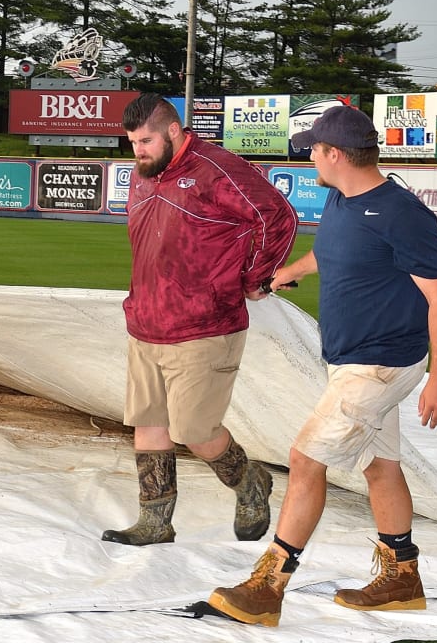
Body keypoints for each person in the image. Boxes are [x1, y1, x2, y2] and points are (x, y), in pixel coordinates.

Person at [206, 105, 437, 627]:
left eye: (315, 150)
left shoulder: (402, 213)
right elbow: (328, 253)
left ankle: (267, 588)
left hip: (381, 365)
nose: (311, 158)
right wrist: (284, 274)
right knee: (379, 464)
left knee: (305, 460)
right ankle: (401, 579)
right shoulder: (341, 199)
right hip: (351, 360)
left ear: (336, 154)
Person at [101, 93, 298, 547]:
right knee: (148, 421)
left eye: (146, 140)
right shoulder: (143, 174)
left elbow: (277, 216)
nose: (138, 151)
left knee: (192, 430)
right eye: (132, 142)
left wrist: (255, 277)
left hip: (205, 323)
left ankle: (250, 480)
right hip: (147, 320)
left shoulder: (215, 168)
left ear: (174, 130)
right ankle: (155, 521)